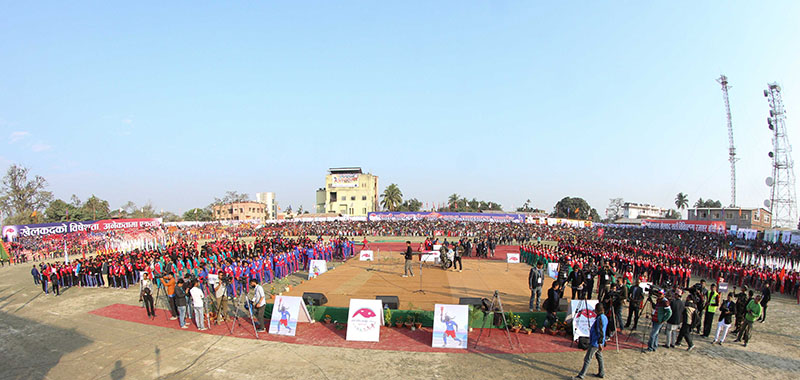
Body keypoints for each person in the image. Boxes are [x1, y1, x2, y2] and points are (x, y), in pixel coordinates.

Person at [574, 303, 607, 380]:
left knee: (587, 359)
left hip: (596, 342)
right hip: (598, 341)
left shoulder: (600, 319)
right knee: (599, 357)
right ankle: (601, 373)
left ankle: (581, 376)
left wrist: (599, 342)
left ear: (597, 310)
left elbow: (600, 331)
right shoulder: (604, 317)